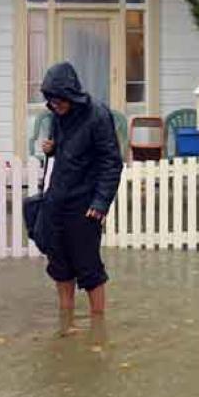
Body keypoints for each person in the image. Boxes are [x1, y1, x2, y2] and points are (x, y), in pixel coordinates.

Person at [40, 62, 123, 315]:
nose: (56, 105)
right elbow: (65, 152)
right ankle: (66, 319)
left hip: (85, 204)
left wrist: (100, 204)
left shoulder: (98, 115)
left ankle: (98, 324)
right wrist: (51, 149)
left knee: (89, 267)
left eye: (60, 100)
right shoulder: (57, 116)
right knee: (59, 264)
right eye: (51, 101)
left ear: (72, 95)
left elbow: (112, 163)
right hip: (57, 200)